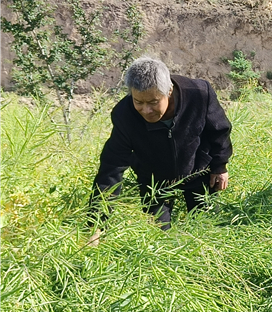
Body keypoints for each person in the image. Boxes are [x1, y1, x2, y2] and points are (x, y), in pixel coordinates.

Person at [89, 56, 233, 233]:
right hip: (153, 180)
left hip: (197, 170)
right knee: (157, 236)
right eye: (138, 102)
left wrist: (219, 166)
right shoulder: (124, 115)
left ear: (169, 91)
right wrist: (96, 223)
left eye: (153, 102)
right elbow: (111, 167)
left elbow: (219, 130)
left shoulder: (198, 94)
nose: (146, 110)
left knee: (206, 229)